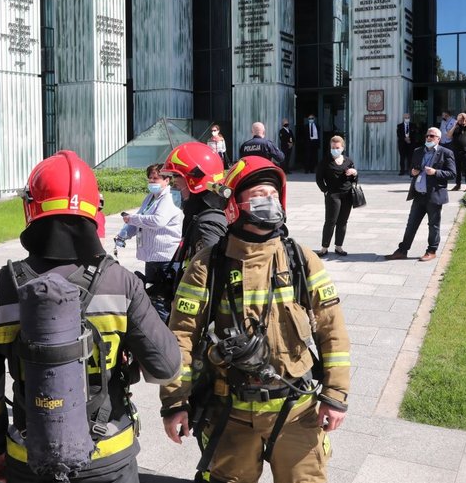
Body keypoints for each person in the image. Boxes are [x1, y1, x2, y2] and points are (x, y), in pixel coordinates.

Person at [0, 150, 181, 483]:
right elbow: (166, 367)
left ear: (30, 209)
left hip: (29, 458)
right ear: (94, 211)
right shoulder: (120, 282)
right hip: (110, 458)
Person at [161, 156, 351, 483]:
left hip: (296, 412)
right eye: (258, 194)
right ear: (234, 205)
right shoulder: (207, 266)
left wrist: (335, 395)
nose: (268, 201)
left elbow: (332, 331)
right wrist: (175, 401)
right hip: (229, 414)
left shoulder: (301, 260)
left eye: (273, 194)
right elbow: (180, 338)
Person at [151, 142, 230, 322]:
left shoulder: (206, 225)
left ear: (195, 180)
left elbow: (213, 280)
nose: (175, 187)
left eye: (178, 182)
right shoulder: (206, 213)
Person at [385, 127, 456, 263]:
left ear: (438, 139)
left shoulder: (446, 153)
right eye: (427, 135)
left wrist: (435, 172)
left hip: (434, 195)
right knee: (411, 224)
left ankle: (431, 251)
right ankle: (402, 250)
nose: (428, 138)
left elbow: (452, 174)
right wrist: (413, 172)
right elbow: (411, 170)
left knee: (433, 225)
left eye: (432, 136)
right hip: (419, 195)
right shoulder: (418, 151)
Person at [114, 163, 183, 284]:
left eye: (155, 178)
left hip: (166, 257)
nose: (151, 181)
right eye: (150, 178)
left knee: (164, 294)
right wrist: (123, 235)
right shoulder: (151, 197)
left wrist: (132, 218)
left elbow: (158, 221)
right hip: (151, 256)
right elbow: (138, 219)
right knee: (151, 293)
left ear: (167, 180)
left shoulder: (170, 197)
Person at [315, 136, 358, 257]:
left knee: (343, 222)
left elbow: (355, 178)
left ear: (342, 148)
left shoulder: (348, 161)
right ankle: (324, 247)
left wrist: (354, 173)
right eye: (333, 147)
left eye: (337, 147)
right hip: (333, 195)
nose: (335, 149)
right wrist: (325, 190)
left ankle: (339, 246)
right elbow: (319, 178)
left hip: (347, 194)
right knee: (330, 221)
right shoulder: (325, 161)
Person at [447, 112, 466, 191]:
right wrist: (455, 125)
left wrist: (462, 114)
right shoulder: (456, 127)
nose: (460, 121)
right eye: (459, 119)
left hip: (465, 150)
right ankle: (457, 185)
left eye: (462, 119)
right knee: (457, 168)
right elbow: (449, 135)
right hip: (456, 150)